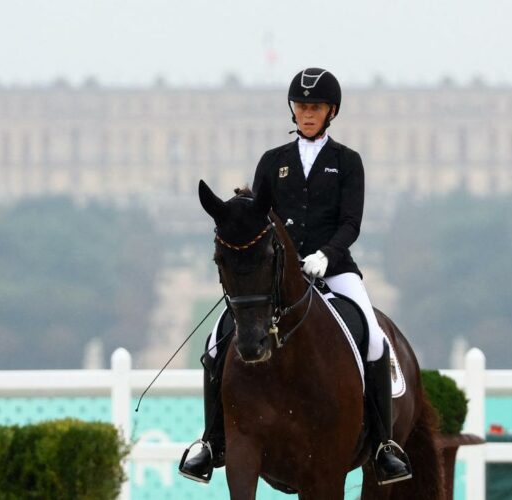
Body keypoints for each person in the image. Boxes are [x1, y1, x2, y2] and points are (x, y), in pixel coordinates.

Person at [179, 68, 413, 486]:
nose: (308, 114)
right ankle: (212, 442)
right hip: (277, 275)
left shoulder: (346, 162)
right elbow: (257, 217)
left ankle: (382, 446)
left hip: (334, 270)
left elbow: (351, 221)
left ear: (330, 112)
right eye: (302, 107)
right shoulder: (273, 162)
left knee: (374, 339)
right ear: (294, 110)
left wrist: (327, 254)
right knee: (217, 339)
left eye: (316, 107)